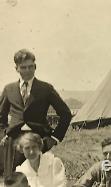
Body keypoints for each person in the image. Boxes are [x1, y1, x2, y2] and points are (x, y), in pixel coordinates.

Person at [0, 49, 72, 177]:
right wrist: (4, 134)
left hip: (39, 141)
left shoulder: (46, 88)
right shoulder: (8, 89)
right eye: (23, 67)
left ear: (35, 66)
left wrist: (54, 138)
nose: (27, 70)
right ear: (16, 68)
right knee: (13, 180)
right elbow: (1, 116)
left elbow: (65, 113)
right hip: (14, 144)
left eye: (30, 67)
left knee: (39, 179)